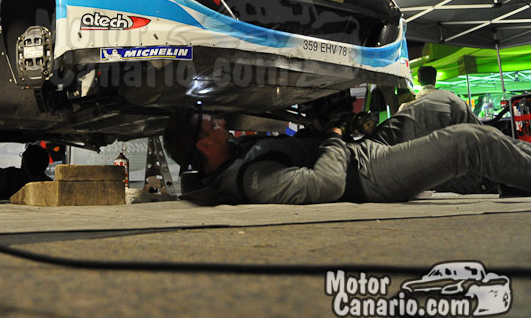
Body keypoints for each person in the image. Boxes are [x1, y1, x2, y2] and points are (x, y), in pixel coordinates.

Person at [163, 90, 531, 204]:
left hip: (360, 149)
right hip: (367, 176)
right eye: (213, 123)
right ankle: (511, 168)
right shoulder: (252, 180)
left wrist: (323, 125)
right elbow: (327, 185)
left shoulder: (236, 152)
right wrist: (335, 135)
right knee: (470, 142)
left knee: (443, 103)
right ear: (204, 143)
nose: (221, 122)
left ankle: (513, 175)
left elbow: (297, 148)